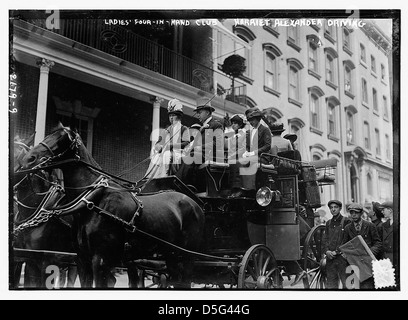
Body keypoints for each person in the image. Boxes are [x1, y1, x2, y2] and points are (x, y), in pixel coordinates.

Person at [175, 97, 224, 188]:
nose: (197, 115)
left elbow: (217, 143)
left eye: (199, 112)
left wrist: (200, 147)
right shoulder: (202, 128)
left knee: (192, 155)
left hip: (210, 155)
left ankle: (178, 183)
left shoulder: (216, 125)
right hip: (200, 155)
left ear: (208, 112)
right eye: (197, 113)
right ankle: (187, 184)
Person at [229, 107, 271, 198]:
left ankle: (248, 188)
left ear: (258, 119)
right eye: (249, 120)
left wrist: (254, 153)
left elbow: (267, 146)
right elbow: (247, 146)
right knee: (236, 162)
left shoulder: (265, 130)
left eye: (252, 120)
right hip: (251, 156)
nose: (251, 122)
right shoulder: (249, 132)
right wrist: (246, 152)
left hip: (262, 157)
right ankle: (236, 188)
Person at [145, 98, 189, 179]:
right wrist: (158, 146)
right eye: (170, 115)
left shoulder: (184, 129)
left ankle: (164, 178)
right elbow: (158, 143)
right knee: (156, 157)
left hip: (179, 154)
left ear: (178, 116)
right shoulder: (166, 130)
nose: (171, 118)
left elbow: (186, 143)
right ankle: (150, 179)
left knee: (166, 155)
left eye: (173, 115)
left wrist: (171, 146)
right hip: (166, 153)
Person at [342, 203, 382, 289]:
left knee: (367, 288)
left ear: (361, 213)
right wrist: (345, 254)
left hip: (367, 265)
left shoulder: (370, 226)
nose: (353, 215)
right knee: (352, 288)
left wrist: (369, 253)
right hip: (353, 264)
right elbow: (344, 245)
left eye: (356, 213)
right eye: (351, 213)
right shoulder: (347, 228)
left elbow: (378, 243)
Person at [323, 200, 351, 289]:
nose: (333, 209)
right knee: (331, 285)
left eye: (335, 207)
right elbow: (325, 239)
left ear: (340, 208)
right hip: (330, 259)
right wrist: (326, 251)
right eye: (331, 208)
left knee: (347, 285)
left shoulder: (347, 221)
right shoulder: (328, 223)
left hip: (343, 259)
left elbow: (347, 240)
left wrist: (337, 251)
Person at [224, 114, 247, 196]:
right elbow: (226, 145)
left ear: (240, 124)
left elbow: (243, 149)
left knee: (235, 163)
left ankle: (237, 188)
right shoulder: (233, 136)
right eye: (232, 123)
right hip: (232, 157)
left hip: (243, 157)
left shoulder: (244, 135)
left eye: (235, 123)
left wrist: (232, 155)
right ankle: (227, 188)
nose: (233, 125)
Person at [379, 200, 394, 265]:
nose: (382, 212)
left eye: (383, 210)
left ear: (390, 210)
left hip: (395, 257)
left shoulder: (401, 223)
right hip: (385, 258)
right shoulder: (384, 225)